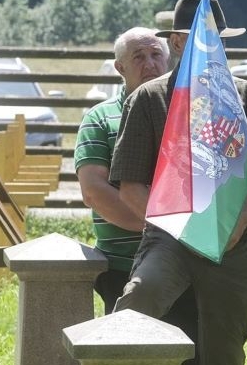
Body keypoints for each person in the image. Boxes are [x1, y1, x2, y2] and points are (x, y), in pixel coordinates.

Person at [109, 0, 247, 365]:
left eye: (216, 38)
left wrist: (237, 223)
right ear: (176, 42)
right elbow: (130, 186)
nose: (213, 46)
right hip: (169, 238)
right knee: (137, 305)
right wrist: (179, 226)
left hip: (233, 242)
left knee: (224, 350)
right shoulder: (147, 100)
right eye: (202, 37)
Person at [75, 28, 198, 350]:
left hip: (190, 261)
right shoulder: (100, 118)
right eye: (138, 57)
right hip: (124, 265)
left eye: (156, 55)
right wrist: (161, 228)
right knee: (129, 351)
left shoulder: (188, 113)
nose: (149, 63)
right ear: (120, 68)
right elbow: (94, 190)